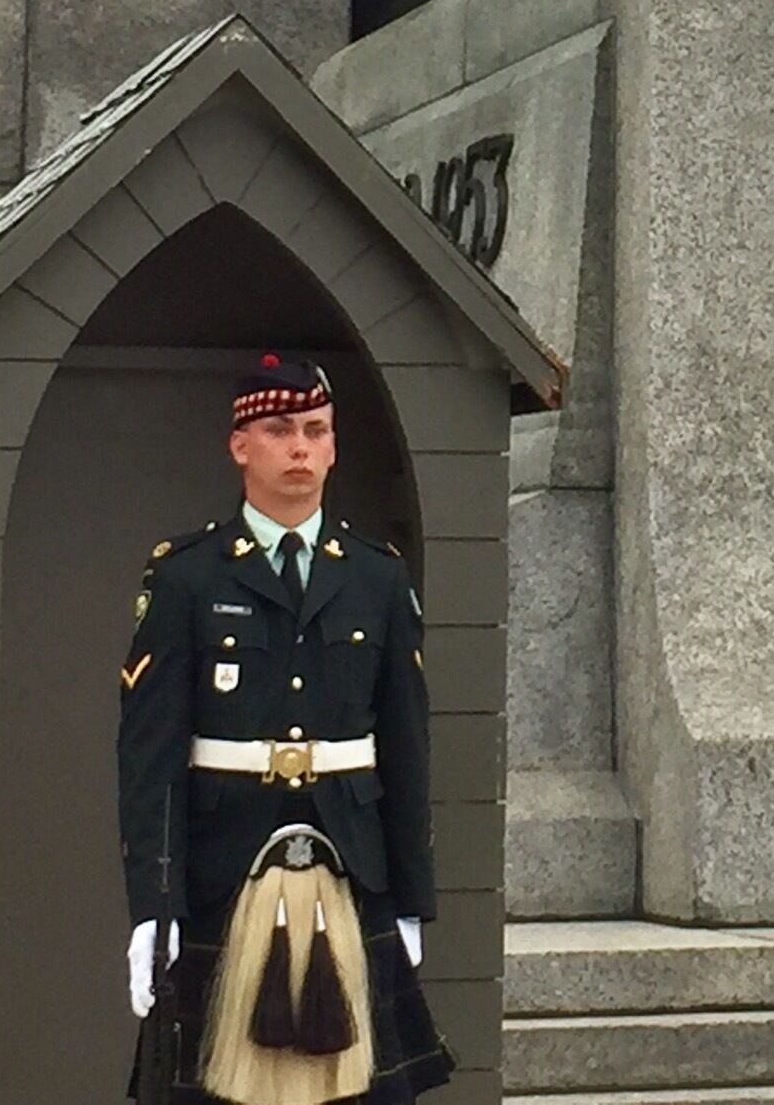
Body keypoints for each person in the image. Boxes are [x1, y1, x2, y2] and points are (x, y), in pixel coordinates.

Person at [118, 355, 450, 1103]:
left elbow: (408, 749)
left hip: (351, 868)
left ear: (334, 446)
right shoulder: (186, 577)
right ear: (240, 445)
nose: (299, 447)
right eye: (278, 430)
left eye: (316, 430)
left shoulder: (378, 578)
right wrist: (153, 906)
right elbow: (150, 759)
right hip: (220, 874)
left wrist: (410, 897)